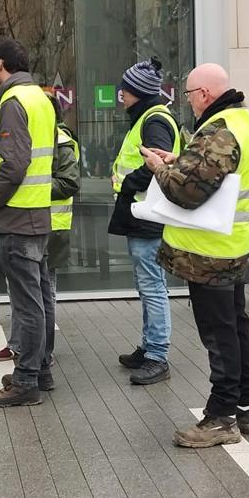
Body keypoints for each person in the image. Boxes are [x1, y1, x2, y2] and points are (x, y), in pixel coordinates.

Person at [141, 63, 249, 448]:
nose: (189, 102)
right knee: (236, 324)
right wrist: (179, 160)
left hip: (207, 253)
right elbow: (218, 176)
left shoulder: (218, 132)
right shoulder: (246, 124)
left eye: (190, 94)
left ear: (206, 95)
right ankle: (246, 406)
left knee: (219, 332)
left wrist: (160, 168)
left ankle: (220, 417)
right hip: (234, 245)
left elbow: (186, 192)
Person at [0, 39, 57, 407]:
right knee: (39, 297)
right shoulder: (41, 98)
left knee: (27, 304)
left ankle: (25, 381)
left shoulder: (12, 103)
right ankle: (39, 370)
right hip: (38, 214)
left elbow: (13, 164)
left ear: (2, 65)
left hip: (16, 217)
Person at [109, 59, 181, 385]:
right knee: (147, 284)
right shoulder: (148, 117)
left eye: (124, 89)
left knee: (152, 286)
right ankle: (149, 346)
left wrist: (127, 184)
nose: (120, 94)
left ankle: (157, 356)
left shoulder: (153, 121)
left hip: (148, 216)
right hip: (143, 214)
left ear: (137, 91)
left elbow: (158, 163)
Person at [1, 94, 79, 364]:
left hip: (52, 227)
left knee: (45, 294)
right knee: (21, 290)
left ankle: (43, 352)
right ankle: (18, 344)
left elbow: (69, 183)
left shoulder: (61, 142)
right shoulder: (35, 138)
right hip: (29, 222)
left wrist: (29, 190)